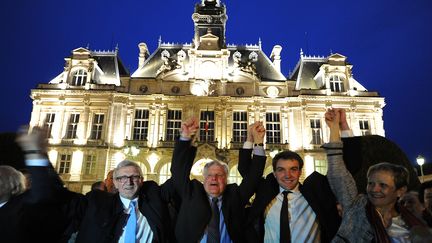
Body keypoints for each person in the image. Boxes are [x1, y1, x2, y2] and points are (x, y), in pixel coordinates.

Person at [16, 126, 175, 243]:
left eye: (134, 177)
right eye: (122, 178)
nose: (129, 182)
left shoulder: (154, 200)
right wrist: (36, 155)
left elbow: (179, 181)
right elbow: (57, 196)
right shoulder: (96, 202)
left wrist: (185, 140)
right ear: (115, 182)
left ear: (142, 180)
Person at [324, 108, 430, 242]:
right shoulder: (358, 208)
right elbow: (337, 171)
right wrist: (335, 128)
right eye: (371, 183)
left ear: (400, 190)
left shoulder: (417, 220)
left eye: (383, 185)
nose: (375, 189)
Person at [243, 111, 347, 243]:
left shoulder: (316, 193)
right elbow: (248, 173)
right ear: (274, 174)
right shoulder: (266, 192)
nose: (288, 175)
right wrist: (253, 141)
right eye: (281, 170)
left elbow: (341, 171)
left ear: (300, 171)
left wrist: (338, 128)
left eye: (293, 169)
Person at [171, 118, 266, 242]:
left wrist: (256, 142)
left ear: (226, 180)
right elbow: (178, 170)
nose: (214, 178)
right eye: (210, 175)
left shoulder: (234, 196)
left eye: (220, 175)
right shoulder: (192, 193)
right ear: (204, 179)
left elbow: (253, 178)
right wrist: (185, 138)